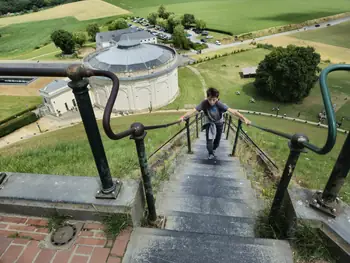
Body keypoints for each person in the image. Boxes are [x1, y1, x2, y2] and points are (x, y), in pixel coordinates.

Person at [180, 87, 251, 160]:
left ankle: (214, 148)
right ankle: (210, 153)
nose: (211, 102)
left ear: (217, 98)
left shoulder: (219, 104)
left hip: (219, 122)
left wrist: (245, 119)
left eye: (214, 100)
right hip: (209, 122)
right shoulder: (204, 103)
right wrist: (182, 117)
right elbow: (193, 110)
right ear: (207, 97)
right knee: (209, 139)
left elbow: (233, 111)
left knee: (217, 139)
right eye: (210, 99)